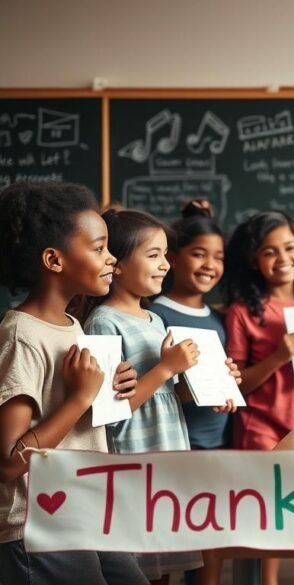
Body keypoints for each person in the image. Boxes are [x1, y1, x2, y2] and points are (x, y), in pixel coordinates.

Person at [0, 182, 147, 585]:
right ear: (54, 259)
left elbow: (73, 417)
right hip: (37, 525)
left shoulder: (73, 325)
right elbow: (10, 461)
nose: (112, 259)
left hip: (82, 511)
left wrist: (107, 389)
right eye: (99, 248)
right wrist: (81, 396)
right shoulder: (21, 335)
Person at [82, 208, 236, 584]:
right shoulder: (104, 321)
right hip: (133, 463)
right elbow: (109, 411)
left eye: (166, 254)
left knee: (162, 565)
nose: (166, 264)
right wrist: (167, 367)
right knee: (138, 568)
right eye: (154, 255)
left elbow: (164, 395)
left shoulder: (154, 319)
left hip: (165, 458)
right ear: (116, 263)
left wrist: (211, 386)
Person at [223, 210, 294, 585]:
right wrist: (279, 356)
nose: (282, 258)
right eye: (269, 252)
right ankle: (267, 580)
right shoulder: (243, 311)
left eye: (289, 247)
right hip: (262, 426)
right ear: (253, 260)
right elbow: (238, 386)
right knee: (270, 508)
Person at [148, 200, 235, 585]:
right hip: (174, 446)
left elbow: (220, 376)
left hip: (216, 443)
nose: (209, 265)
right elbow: (160, 386)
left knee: (209, 536)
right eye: (198, 254)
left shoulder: (218, 318)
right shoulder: (156, 314)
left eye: (218, 257)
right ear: (172, 258)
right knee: (164, 538)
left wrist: (229, 380)